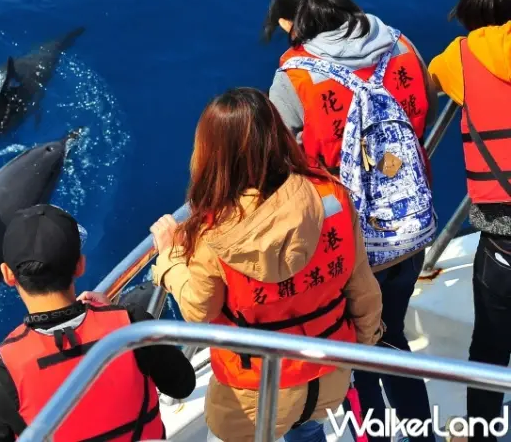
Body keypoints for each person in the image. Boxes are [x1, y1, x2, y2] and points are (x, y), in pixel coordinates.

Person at [149, 87, 383, 442]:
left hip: (252, 394)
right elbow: (362, 288)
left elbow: (199, 309)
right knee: (309, 432)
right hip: (328, 371)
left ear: (211, 152)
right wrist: (359, 352)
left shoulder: (213, 229)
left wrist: (169, 257)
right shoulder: (332, 198)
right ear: (279, 135)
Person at [263, 0, 437, 442]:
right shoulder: (401, 45)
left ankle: (375, 436)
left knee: (357, 351)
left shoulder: (295, 75)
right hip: (412, 228)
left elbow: (280, 162)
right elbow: (422, 110)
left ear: (286, 23)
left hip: (351, 245)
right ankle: (422, 436)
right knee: (391, 335)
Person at [0, 204, 196, 441]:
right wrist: (111, 313)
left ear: (8, 275)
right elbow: (183, 385)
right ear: (80, 265)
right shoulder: (132, 326)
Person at [428, 0, 511, 442]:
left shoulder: (461, 58)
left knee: (490, 347)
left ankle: (481, 432)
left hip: (504, 247)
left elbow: (424, 81)